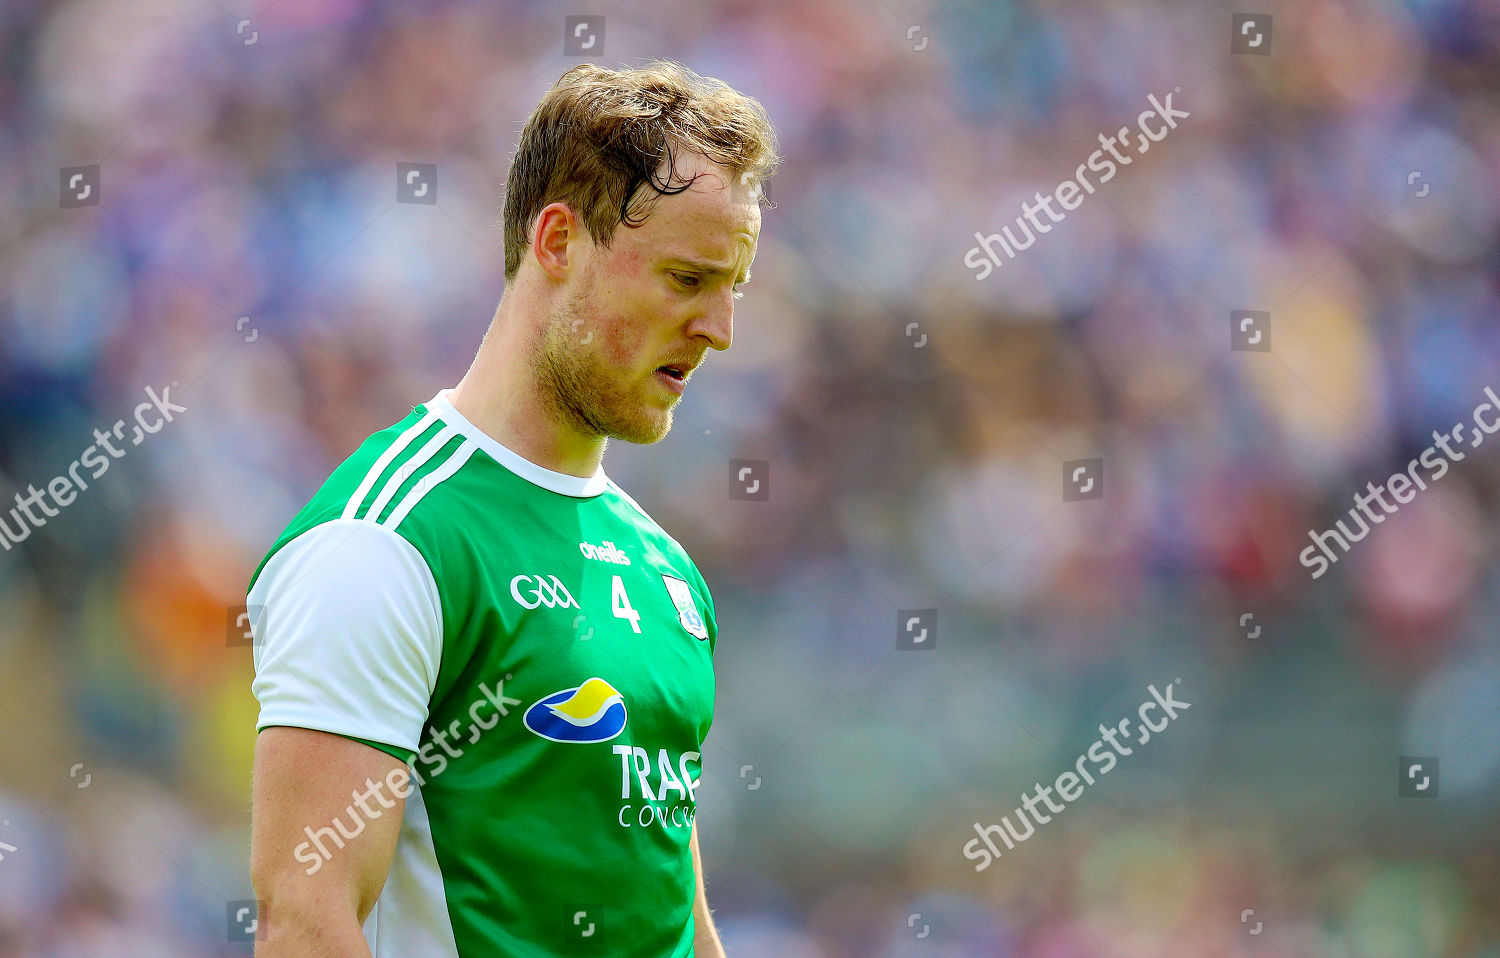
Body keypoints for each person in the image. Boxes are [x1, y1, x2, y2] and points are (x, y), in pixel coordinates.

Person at [246, 60, 777, 957]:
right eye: (687, 280)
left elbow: (675, 918)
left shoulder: (667, 573)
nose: (720, 329)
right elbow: (305, 924)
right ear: (559, 241)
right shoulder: (385, 542)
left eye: (735, 287)